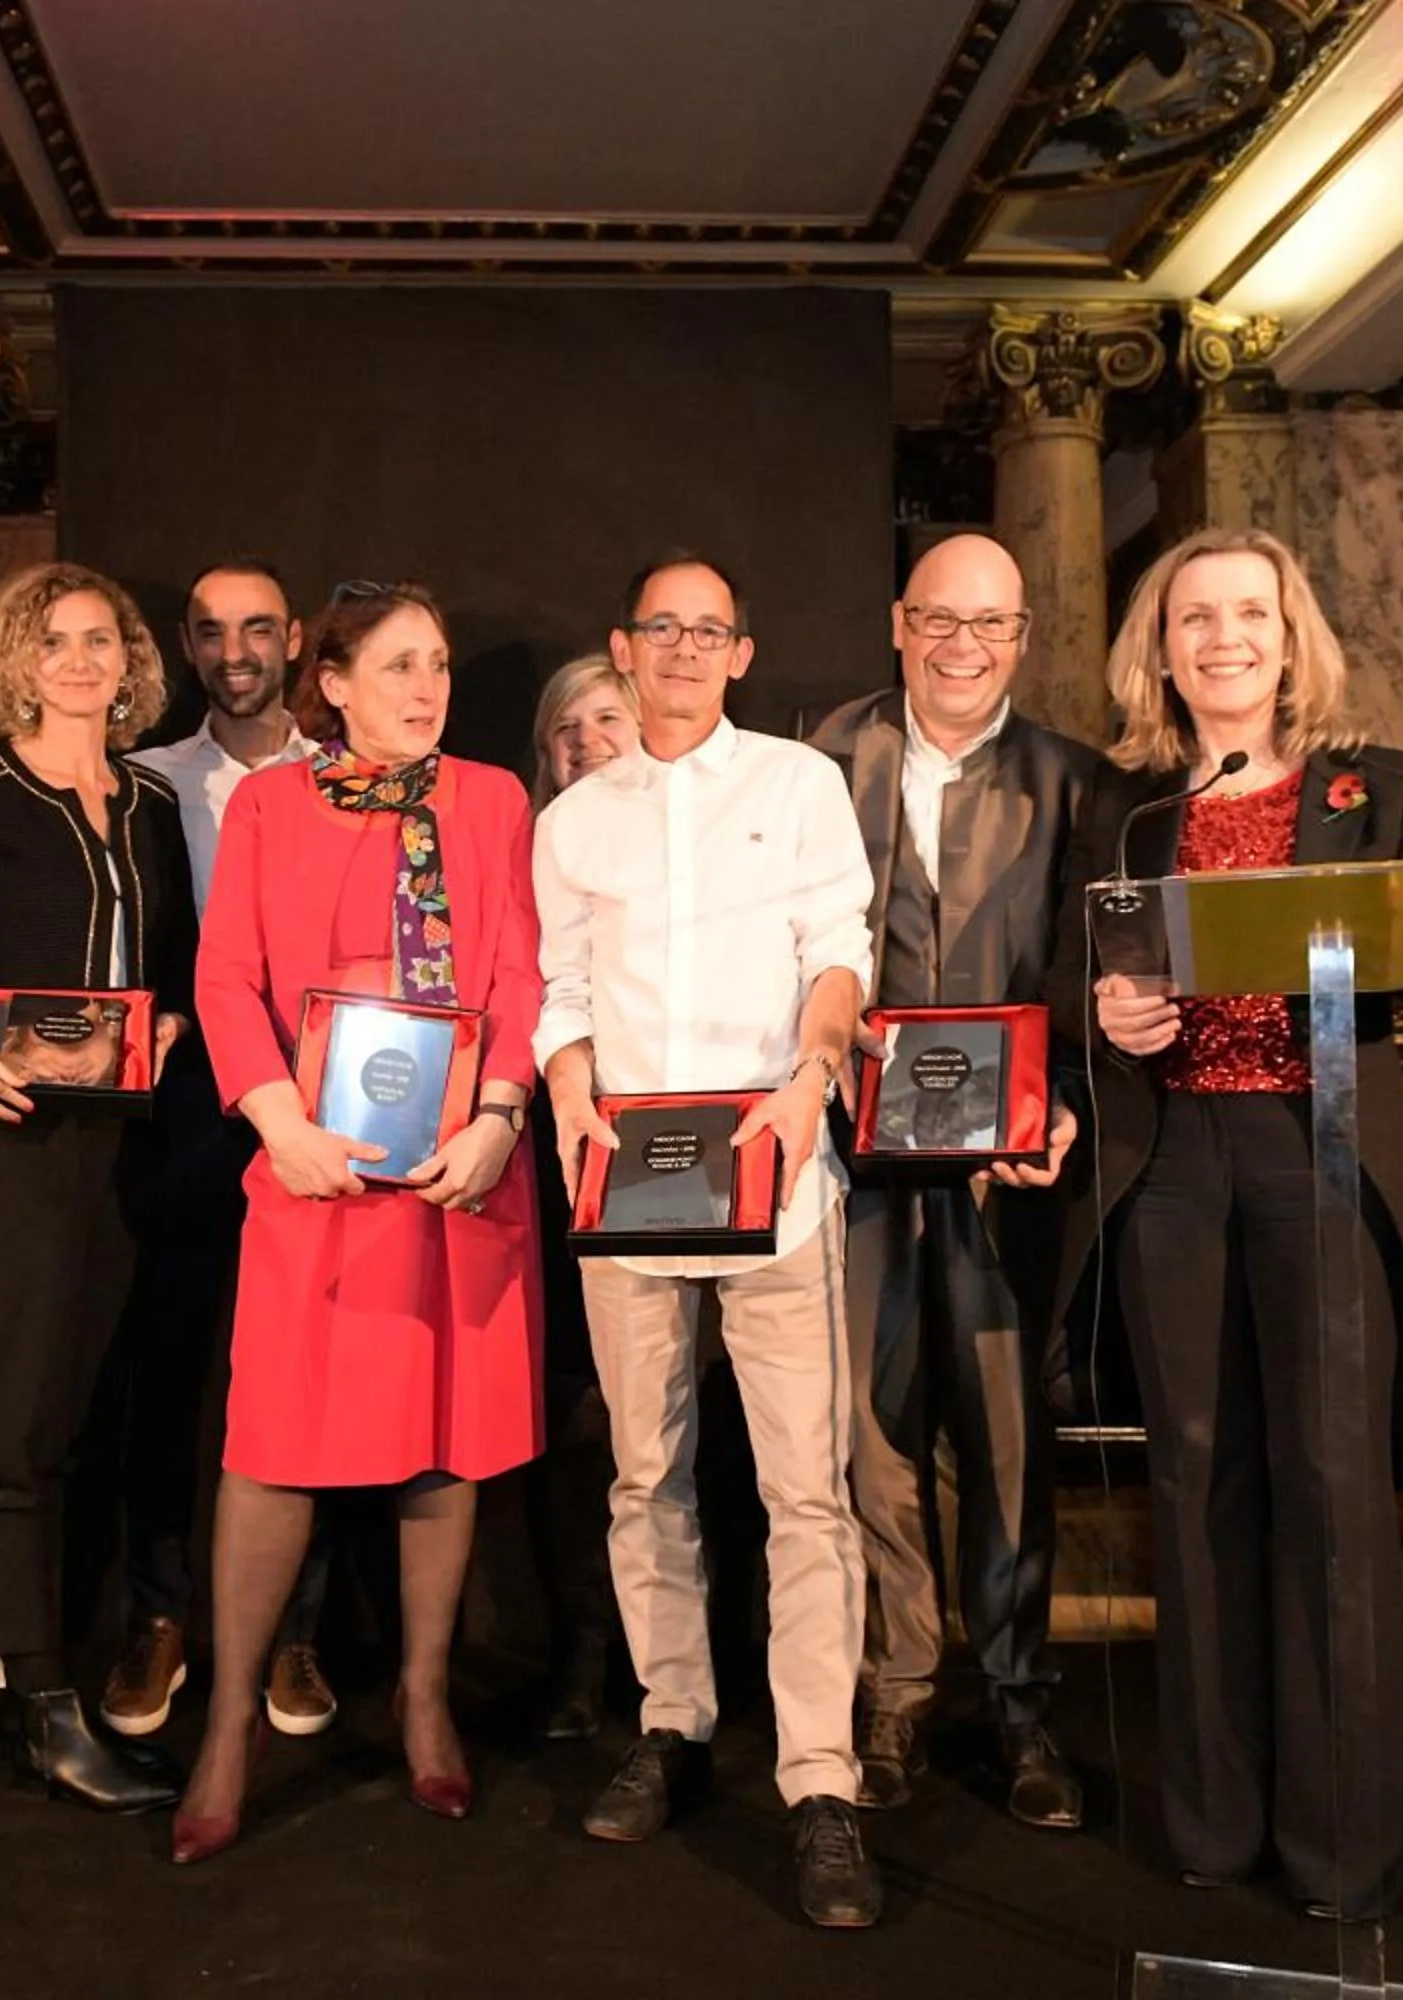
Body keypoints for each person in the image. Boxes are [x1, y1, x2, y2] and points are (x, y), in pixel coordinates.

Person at [1052, 525, 1403, 1921]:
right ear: (1158, 650)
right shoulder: (1130, 807)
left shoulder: (1385, 788)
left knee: (1335, 1497)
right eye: (1193, 618)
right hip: (1173, 1168)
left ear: (1293, 639)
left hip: (1320, 1156)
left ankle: (1345, 1847)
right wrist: (1105, 1013)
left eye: (1249, 614)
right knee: (1196, 1492)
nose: (1223, 638)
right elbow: (1074, 974)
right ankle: (1215, 1826)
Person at [534, 554, 885, 1930]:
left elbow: (838, 946)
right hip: (622, 1187)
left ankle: (820, 1781)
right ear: (624, 647)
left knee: (806, 1492)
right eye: (660, 627)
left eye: (708, 630)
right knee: (645, 1473)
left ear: (741, 653)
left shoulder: (797, 786)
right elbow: (557, 981)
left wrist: (813, 1073)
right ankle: (671, 1719)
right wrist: (567, 1086)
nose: (682, 649)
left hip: (777, 1180)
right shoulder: (576, 818)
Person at [172, 580, 544, 1865]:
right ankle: (229, 1722)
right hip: (314, 1168)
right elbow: (224, 977)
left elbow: (518, 969)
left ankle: (425, 1693)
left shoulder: (492, 798)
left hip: (460, 1170)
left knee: (444, 1436)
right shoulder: (270, 802)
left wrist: (498, 1115)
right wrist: (279, 1122)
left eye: (437, 662)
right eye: (397, 664)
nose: (426, 686)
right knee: (272, 1441)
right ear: (330, 679)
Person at [806, 532, 1090, 1825]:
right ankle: (900, 1691)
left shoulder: (1078, 785)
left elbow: (1092, 984)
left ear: (1022, 638)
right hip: (852, 1161)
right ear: (898, 623)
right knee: (870, 1440)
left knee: (1008, 1442)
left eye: (992, 625)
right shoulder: (819, 762)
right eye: (941, 621)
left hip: (1007, 1172)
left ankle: (1021, 1702)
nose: (965, 646)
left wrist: (1065, 1111)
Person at [0, 561, 197, 1815]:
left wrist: (176, 1026)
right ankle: (37, 1702)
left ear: (130, 659)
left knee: (93, 1409)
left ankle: (66, 1678)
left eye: (100, 641)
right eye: (55, 641)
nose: (79, 661)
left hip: (129, 1137)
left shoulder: (143, 797)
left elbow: (178, 964)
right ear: (17, 659)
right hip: (16, 1131)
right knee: (20, 1416)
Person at [103, 559, 339, 1743]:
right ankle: (159, 1615)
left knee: (308, 1373)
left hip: (327, 1104)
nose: (235, 648)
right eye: (210, 631)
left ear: (296, 639)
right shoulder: (141, 781)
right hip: (186, 1113)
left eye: (257, 627)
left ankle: (298, 1631)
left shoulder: (354, 782)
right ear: (186, 649)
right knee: (168, 1373)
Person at [523, 652, 638, 1738]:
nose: (588, 737)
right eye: (567, 725)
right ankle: (578, 1663)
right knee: (576, 1427)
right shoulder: (522, 856)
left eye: (611, 714)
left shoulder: (685, 847)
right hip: (552, 1180)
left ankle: (674, 1674)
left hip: (674, 1167)